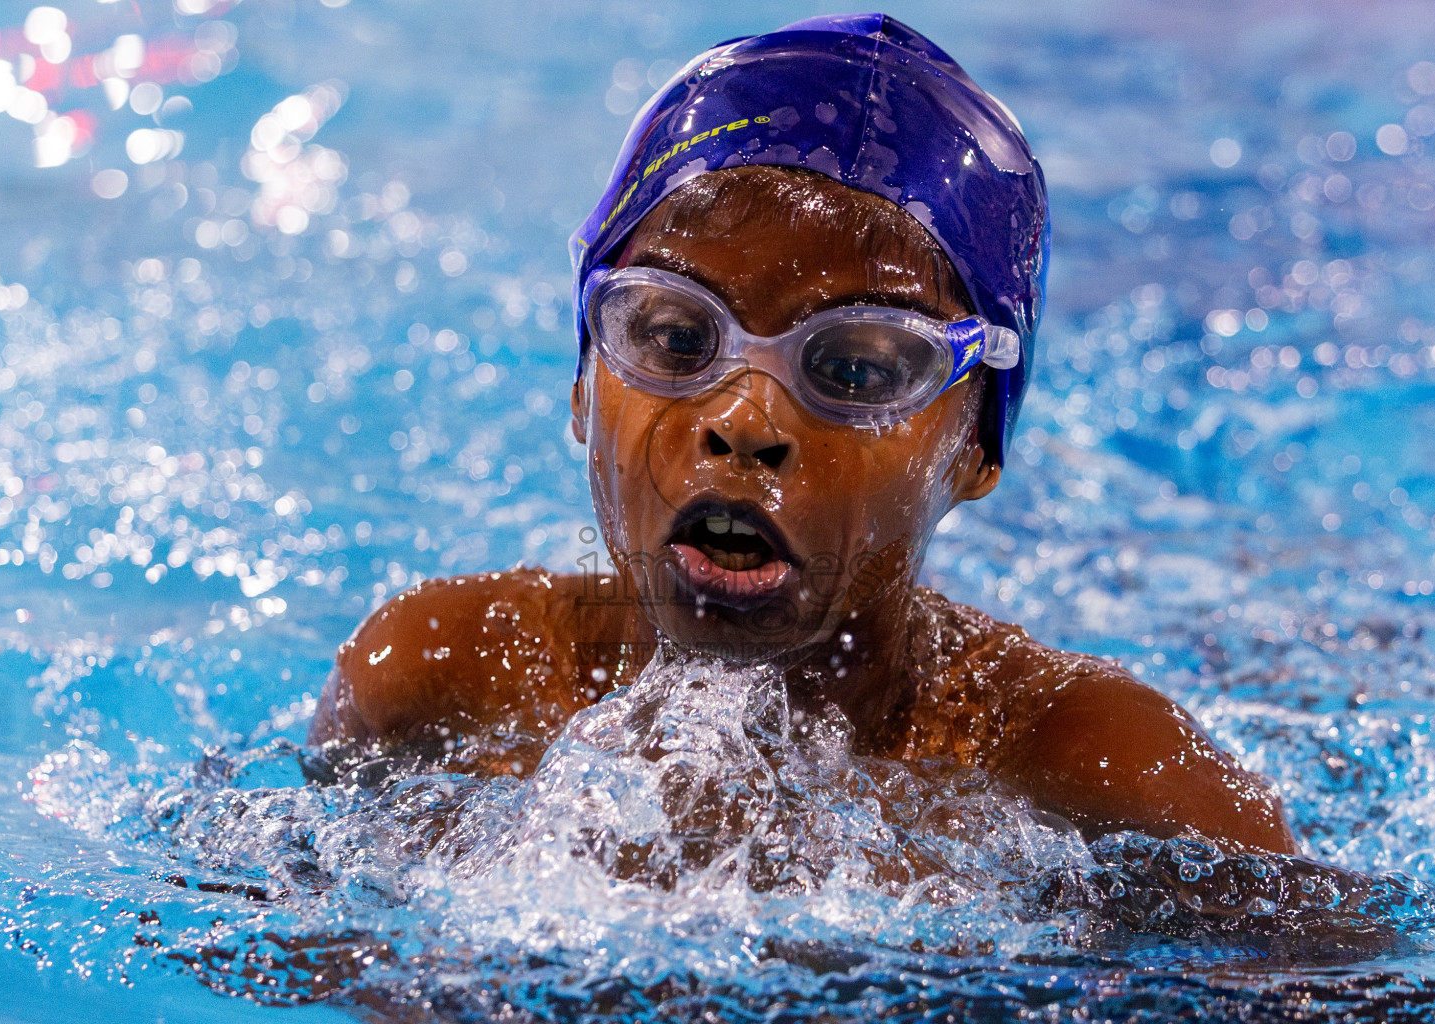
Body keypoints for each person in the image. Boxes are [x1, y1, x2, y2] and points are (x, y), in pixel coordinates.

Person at [308, 14, 1297, 856]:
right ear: (582, 381)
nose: (744, 421)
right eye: (672, 334)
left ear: (977, 449)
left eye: (859, 368)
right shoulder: (433, 683)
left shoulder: (1100, 778)